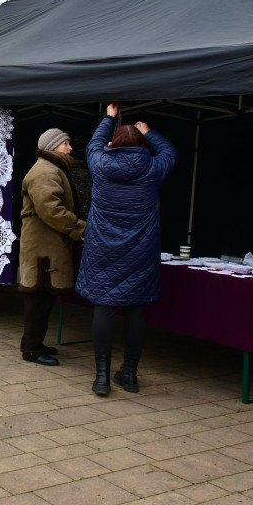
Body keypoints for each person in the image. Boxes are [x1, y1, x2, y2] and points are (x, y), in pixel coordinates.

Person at [76, 103, 177, 395]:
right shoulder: (152, 168)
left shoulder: (100, 165)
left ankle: (102, 377)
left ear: (114, 144)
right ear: (142, 144)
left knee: (104, 306)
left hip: (103, 251)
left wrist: (109, 118)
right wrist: (150, 133)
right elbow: (170, 153)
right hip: (140, 252)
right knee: (135, 310)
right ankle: (129, 374)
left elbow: (94, 143)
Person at [18, 128, 86, 366]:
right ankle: (32, 350)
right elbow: (51, 209)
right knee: (38, 299)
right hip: (42, 249)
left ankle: (32, 343)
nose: (69, 148)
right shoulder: (45, 171)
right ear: (53, 146)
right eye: (65, 143)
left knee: (43, 299)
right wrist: (78, 227)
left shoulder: (52, 169)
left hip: (46, 246)